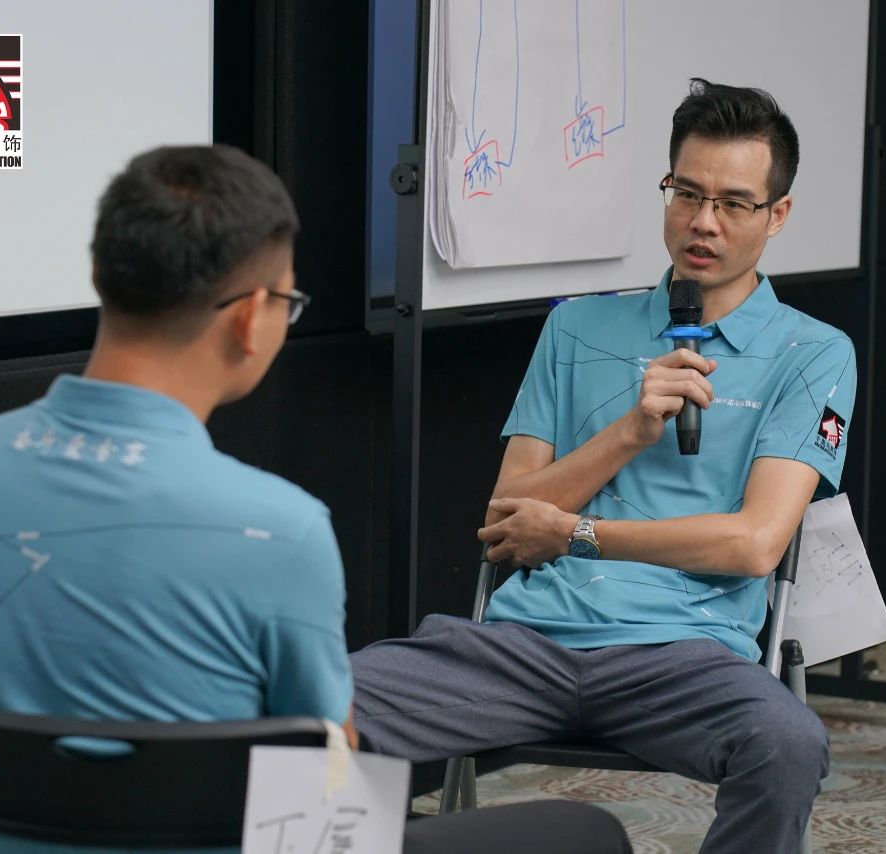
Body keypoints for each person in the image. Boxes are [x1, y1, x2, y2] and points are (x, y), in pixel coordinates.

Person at [0, 145, 631, 854]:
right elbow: (327, 799)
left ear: (99, 276)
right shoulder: (278, 530)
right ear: (251, 318)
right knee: (586, 832)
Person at [352, 81, 858, 853]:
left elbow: (755, 543)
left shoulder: (812, 352)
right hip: (527, 645)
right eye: (686, 193)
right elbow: (506, 519)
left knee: (787, 744)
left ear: (777, 214)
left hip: (686, 659)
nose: (703, 221)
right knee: (313, 707)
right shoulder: (578, 327)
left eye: (733, 203)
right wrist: (630, 431)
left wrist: (577, 534)